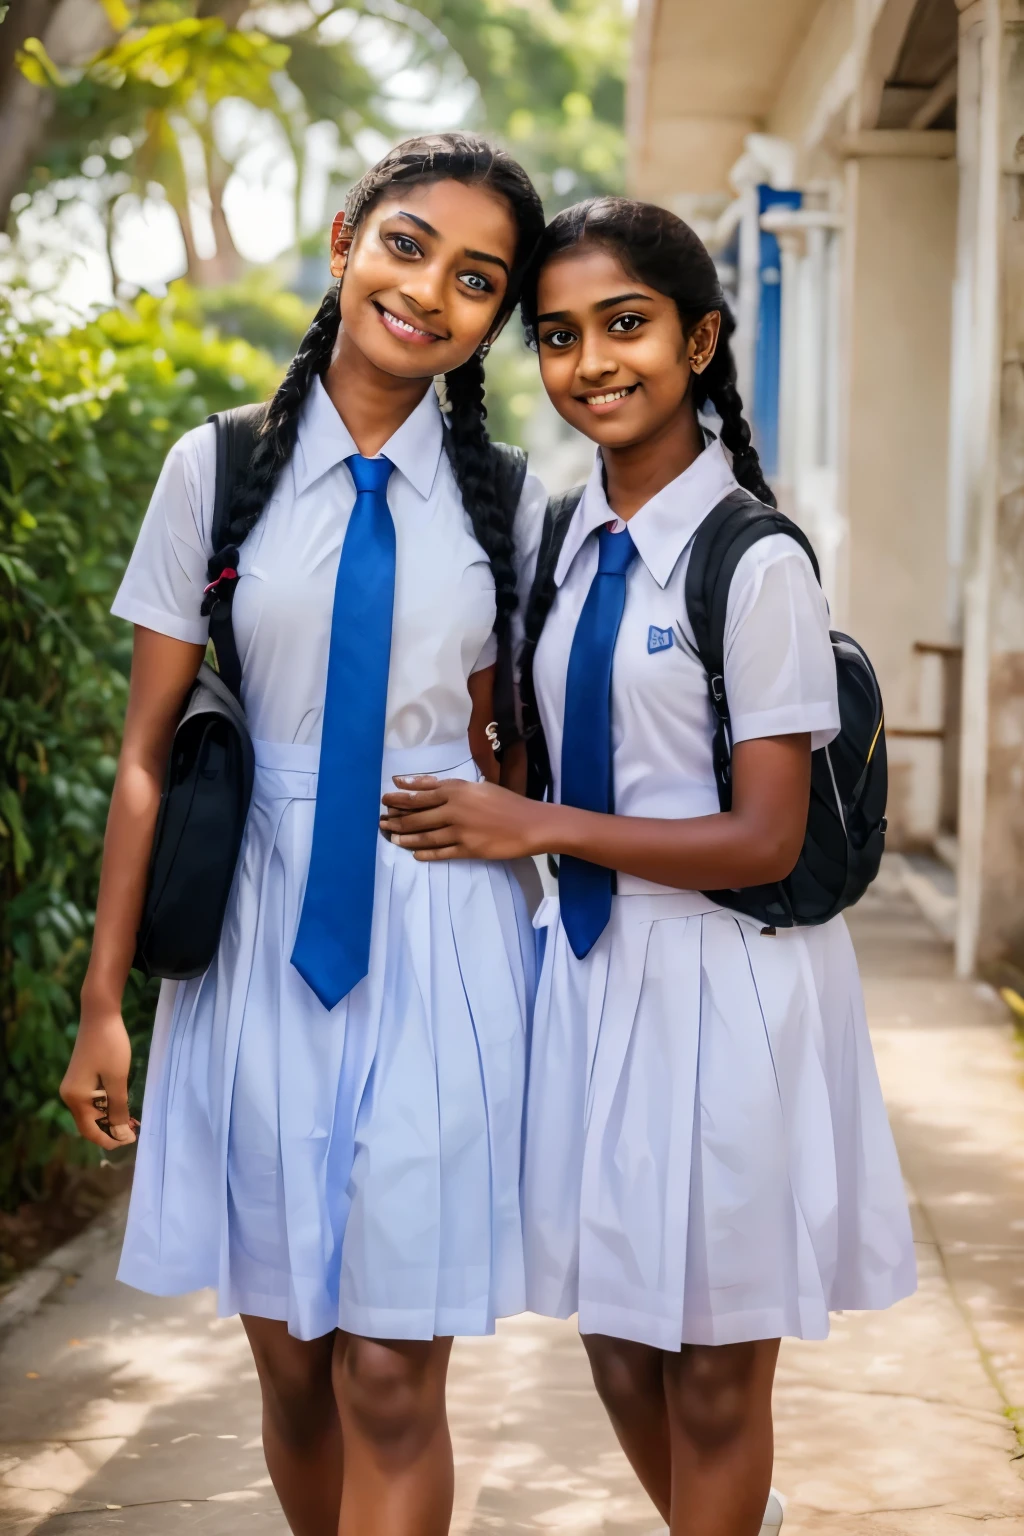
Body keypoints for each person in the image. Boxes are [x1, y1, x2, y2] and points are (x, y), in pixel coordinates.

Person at [380, 197, 917, 1536]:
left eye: (626, 325)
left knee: (723, 1373)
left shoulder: (755, 560)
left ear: (700, 338)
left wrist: (540, 829)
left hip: (734, 986)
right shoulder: (558, 540)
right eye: (559, 336)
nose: (592, 364)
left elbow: (767, 836)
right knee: (618, 1339)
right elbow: (542, 756)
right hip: (598, 975)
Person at [60, 133, 547, 1536]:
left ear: (492, 320)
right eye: (407, 246)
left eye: (477, 280)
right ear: (345, 243)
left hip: (444, 936)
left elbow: (512, 735)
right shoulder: (213, 470)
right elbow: (146, 756)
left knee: (394, 1376)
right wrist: (107, 1001)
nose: (428, 291)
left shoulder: (510, 503)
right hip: (256, 934)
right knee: (291, 1372)